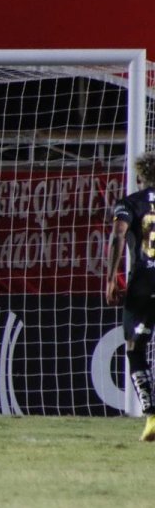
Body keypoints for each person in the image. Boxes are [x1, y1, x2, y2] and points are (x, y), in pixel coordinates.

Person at [105, 151, 155, 441]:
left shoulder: (130, 203)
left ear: (139, 178)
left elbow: (118, 234)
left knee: (136, 348)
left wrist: (111, 277)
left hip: (144, 284)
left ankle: (151, 416)